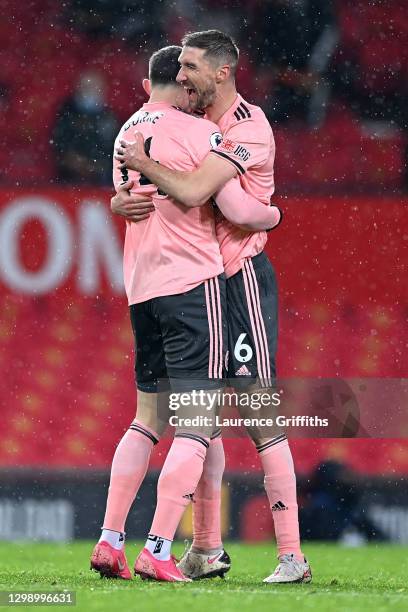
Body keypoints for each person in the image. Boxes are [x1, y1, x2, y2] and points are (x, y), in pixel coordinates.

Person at [115, 30, 311, 584]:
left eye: (191, 68)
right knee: (202, 421)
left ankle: (292, 555)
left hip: (239, 277)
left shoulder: (248, 127)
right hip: (200, 285)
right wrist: (120, 197)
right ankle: (204, 548)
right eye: (177, 68)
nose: (181, 77)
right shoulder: (196, 126)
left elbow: (204, 192)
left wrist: (266, 217)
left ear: (222, 72)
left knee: (258, 414)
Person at [53, 70, 119, 185]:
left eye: (97, 87)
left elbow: (113, 146)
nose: (93, 91)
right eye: (88, 87)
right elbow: (60, 143)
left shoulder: (108, 116)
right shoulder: (67, 112)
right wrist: (78, 163)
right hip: (70, 176)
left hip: (101, 177)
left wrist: (99, 165)